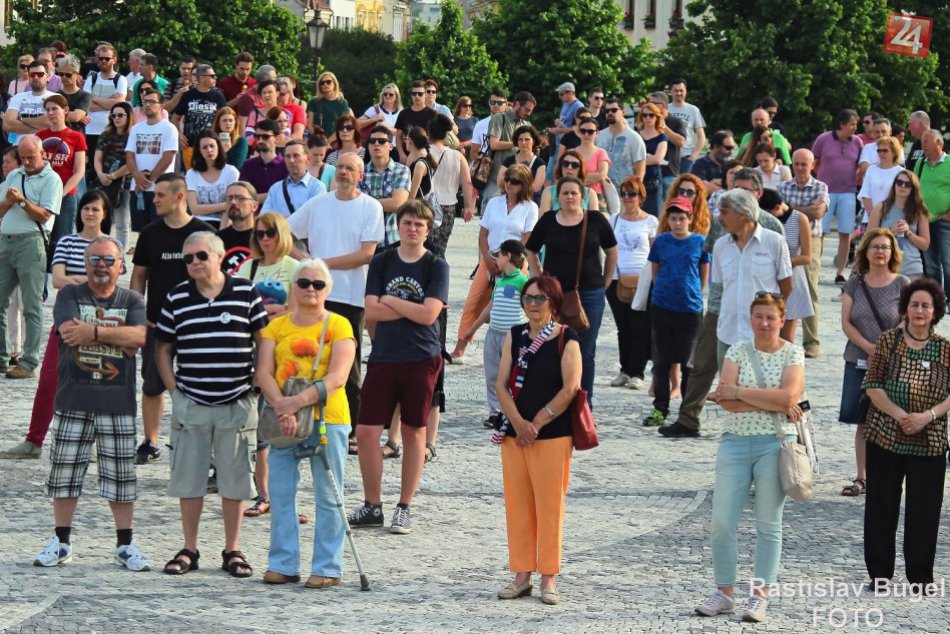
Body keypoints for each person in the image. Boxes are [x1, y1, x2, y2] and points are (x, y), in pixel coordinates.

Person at [30, 236, 150, 571]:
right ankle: (61, 541)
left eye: (109, 260)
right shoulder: (70, 294)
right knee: (64, 473)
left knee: (121, 477)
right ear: (85, 264)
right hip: (74, 397)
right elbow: (69, 332)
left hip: (117, 399)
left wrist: (94, 334)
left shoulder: (132, 299)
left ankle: (125, 544)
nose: (101, 266)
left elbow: (140, 337)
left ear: (121, 266)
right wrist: (118, 335)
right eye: (95, 259)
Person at [156, 231, 268, 578]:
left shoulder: (246, 291)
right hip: (192, 400)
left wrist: (258, 381)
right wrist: (175, 392)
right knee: (188, 480)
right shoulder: (177, 296)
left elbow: (263, 339)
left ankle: (232, 549)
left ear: (220, 257)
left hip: (237, 400)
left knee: (236, 479)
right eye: (188, 258)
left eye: (201, 256)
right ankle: (189, 547)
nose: (194, 263)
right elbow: (162, 348)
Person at [695, 293, 805, 623]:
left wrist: (741, 393)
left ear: (782, 320)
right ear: (750, 318)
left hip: (775, 443)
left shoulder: (793, 353)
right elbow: (724, 401)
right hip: (735, 442)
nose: (764, 323)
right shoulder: (737, 351)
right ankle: (724, 593)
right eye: (758, 316)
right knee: (721, 522)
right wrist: (773, 401)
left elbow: (788, 396)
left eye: (771, 317)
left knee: (768, 523)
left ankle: (760, 595)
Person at [348, 201, 449, 535]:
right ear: (399, 225)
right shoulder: (382, 261)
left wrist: (390, 300)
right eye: (407, 222)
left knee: (413, 431)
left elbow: (429, 315)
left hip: (421, 357)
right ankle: (372, 505)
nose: (413, 228)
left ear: (428, 229)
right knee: (366, 431)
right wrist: (409, 307)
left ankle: (404, 506)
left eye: (419, 224)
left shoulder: (436, 265)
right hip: (385, 355)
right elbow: (371, 311)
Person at [257, 259, 356, 588]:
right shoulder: (276, 327)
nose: (310, 289)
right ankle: (283, 563)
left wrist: (296, 403)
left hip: (328, 418)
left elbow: (338, 376)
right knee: (281, 493)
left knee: (328, 494)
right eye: (303, 283)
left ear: (328, 289)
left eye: (318, 284)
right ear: (293, 287)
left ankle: (327, 566)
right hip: (282, 420)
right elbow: (263, 373)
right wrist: (283, 408)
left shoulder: (339, 324)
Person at [1, 190, 114, 460]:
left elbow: (107, 283)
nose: (89, 213)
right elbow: (57, 280)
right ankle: (34, 442)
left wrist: (76, 280)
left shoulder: (112, 245)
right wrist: (88, 280)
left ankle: (91, 444)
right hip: (66, 321)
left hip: (98, 324)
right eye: (86, 208)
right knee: (49, 380)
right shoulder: (66, 242)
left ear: (105, 214)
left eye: (95, 209)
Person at [494, 275, 581, 606]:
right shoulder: (514, 335)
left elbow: (570, 388)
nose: (532, 304)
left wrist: (537, 423)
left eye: (539, 299)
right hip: (515, 435)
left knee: (549, 506)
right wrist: (520, 425)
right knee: (518, 505)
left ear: (553, 303)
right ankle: (521, 575)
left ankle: (549, 576)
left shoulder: (566, 338)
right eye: (528, 298)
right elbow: (501, 384)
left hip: (553, 435)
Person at [289, 153, 384, 449]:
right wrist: (306, 262)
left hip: (351, 296)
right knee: (310, 360)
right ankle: (307, 421)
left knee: (348, 366)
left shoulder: (371, 206)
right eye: (340, 167)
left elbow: (367, 253)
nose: (343, 172)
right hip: (315, 296)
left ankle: (351, 428)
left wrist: (321, 264)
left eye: (349, 168)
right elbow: (286, 233)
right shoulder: (319, 203)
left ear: (360, 176)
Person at [863, 278, 950, 590]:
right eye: (914, 305)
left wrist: (926, 416)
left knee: (924, 511)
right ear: (905, 308)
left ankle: (920, 577)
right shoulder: (888, 341)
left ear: (935, 311)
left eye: (926, 305)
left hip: (930, 441)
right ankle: (880, 575)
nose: (919, 311)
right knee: (881, 508)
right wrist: (902, 416)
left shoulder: (945, 348)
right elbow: (872, 385)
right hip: (886, 436)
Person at [129, 173, 213, 464]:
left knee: (199, 386)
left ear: (179, 197)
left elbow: (216, 279)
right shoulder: (150, 233)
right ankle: (150, 441)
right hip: (156, 324)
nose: (154, 200)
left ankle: (197, 444)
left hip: (197, 326)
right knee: (152, 384)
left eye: (160, 195)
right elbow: (139, 276)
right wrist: (137, 315)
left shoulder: (203, 234)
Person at [525, 176, 618, 406]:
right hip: (554, 294)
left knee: (585, 350)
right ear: (558, 197)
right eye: (565, 193)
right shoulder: (549, 220)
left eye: (574, 193)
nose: (569, 197)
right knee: (553, 346)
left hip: (590, 293)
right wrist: (539, 276)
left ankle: (583, 405)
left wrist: (606, 280)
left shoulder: (595, 219)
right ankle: (555, 401)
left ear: (582, 196)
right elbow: (531, 249)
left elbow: (612, 251)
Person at [838, 229, 910, 497]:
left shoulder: (902, 283)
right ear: (866, 251)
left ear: (893, 252)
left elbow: (906, 320)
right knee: (862, 418)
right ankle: (862, 476)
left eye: (885, 247)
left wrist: (882, 349)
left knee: (892, 416)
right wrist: (868, 347)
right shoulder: (854, 283)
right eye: (875, 246)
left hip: (893, 360)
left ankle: (890, 475)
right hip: (857, 358)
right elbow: (846, 322)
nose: (880, 251)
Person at [451, 163, 538, 362]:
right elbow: (483, 234)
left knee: (516, 306)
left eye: (514, 181)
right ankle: (460, 347)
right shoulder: (494, 202)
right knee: (473, 303)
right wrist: (489, 260)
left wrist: (509, 263)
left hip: (516, 263)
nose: (509, 184)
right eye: (507, 179)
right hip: (490, 258)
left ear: (524, 184)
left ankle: (524, 346)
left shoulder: (530, 208)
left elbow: (527, 238)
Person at [0, 136, 64, 379]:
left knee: (31, 305)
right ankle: (2, 356)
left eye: (31, 157)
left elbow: (45, 215)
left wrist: (22, 202)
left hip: (32, 242)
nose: (26, 162)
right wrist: (9, 201)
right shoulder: (14, 175)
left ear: (42, 154)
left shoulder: (52, 179)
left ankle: (29, 362)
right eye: (23, 158)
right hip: (6, 241)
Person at [642, 197, 709, 427]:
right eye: (673, 218)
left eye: (682, 218)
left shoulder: (699, 242)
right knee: (661, 361)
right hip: (662, 306)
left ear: (690, 219)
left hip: (690, 308)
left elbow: (703, 271)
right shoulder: (661, 241)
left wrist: (696, 291)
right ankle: (660, 409)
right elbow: (655, 269)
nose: (678, 222)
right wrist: (662, 289)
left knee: (689, 363)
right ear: (668, 220)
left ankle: (687, 411)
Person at [712, 189, 792, 363]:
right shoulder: (720, 246)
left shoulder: (774, 241)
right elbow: (720, 287)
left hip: (763, 335)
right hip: (728, 333)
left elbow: (786, 285)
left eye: (724, 212)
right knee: (727, 380)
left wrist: (772, 317)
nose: (719, 218)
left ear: (743, 214)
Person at [463, 240, 529, 429]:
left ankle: (512, 412)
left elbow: (530, 307)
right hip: (493, 335)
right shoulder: (499, 281)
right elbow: (489, 308)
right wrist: (472, 329)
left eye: (498, 256)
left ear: (508, 256)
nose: (496, 260)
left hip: (512, 337)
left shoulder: (523, 281)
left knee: (512, 374)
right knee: (492, 374)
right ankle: (495, 413)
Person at [777, 150, 829, 359]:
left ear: (812, 165)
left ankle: (811, 342)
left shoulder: (820, 186)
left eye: (804, 164)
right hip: (785, 238)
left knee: (810, 288)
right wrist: (804, 208)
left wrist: (790, 208)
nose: (799, 168)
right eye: (796, 164)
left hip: (812, 239)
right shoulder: (782, 187)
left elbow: (818, 213)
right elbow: (777, 212)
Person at [606, 176, 656, 390]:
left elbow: (655, 252)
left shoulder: (651, 221)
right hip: (617, 278)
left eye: (632, 194)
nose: (627, 197)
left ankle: (637, 372)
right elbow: (607, 248)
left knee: (640, 327)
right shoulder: (613, 220)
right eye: (624, 193)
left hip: (643, 280)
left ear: (641, 197)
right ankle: (624, 370)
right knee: (622, 327)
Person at [813, 109, 864, 284]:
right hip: (825, 191)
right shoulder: (823, 139)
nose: (855, 127)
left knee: (845, 232)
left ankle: (840, 272)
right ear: (842, 124)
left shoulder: (857, 142)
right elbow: (815, 161)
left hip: (848, 191)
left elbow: (859, 164)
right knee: (820, 232)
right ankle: (816, 268)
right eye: (852, 124)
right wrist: (822, 177)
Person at [759, 189, 813, 342]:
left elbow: (806, 257)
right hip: (767, 278)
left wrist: (782, 261)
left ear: (777, 208)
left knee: (786, 337)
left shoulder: (799, 219)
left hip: (792, 278)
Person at [37, 94, 87, 253]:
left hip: (65, 195)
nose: (51, 113)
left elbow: (79, 171)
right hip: (41, 194)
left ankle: (60, 269)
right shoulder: (39, 136)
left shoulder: (76, 137)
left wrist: (61, 193)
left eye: (54, 109)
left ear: (66, 110)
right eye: (47, 110)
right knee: (41, 239)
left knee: (62, 241)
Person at [125, 88, 178, 228]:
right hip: (137, 188)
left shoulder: (169, 128)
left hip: (160, 189)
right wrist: (136, 174)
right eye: (145, 102)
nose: (147, 105)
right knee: (141, 231)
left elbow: (168, 157)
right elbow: (129, 155)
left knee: (159, 230)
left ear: (161, 106)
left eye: (152, 102)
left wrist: (147, 181)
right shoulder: (136, 128)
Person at [427, 113, 476, 256]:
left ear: (429, 133)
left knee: (425, 247)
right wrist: (468, 207)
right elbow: (467, 183)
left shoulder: (423, 153)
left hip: (427, 204)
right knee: (440, 247)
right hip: (449, 206)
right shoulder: (458, 156)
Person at [867, 170, 930, 279]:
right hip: (885, 267)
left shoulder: (919, 211)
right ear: (894, 185)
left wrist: (909, 233)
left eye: (908, 184)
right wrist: (890, 233)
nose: (903, 186)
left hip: (912, 268)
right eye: (899, 182)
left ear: (913, 188)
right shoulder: (881, 208)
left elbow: (925, 245)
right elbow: (868, 239)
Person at [359, 126, 410, 248]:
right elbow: (355, 205)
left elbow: (398, 203)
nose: (376, 144)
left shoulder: (402, 170)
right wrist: (386, 202)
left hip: (392, 239)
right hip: (364, 241)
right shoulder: (359, 171)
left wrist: (366, 203)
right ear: (368, 146)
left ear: (390, 146)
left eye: (382, 141)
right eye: (372, 141)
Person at [93, 101, 133, 250]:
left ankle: (120, 256)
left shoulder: (133, 135)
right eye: (113, 115)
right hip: (103, 181)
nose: (116, 118)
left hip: (125, 183)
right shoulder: (105, 135)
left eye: (120, 115)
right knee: (102, 220)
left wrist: (113, 176)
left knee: (122, 223)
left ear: (129, 116)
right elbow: (97, 158)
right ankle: (102, 251)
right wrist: (101, 174)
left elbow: (132, 163)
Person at [171, 63, 226, 170]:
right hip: (191, 146)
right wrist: (179, 135)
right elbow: (175, 118)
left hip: (212, 146)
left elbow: (225, 117)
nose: (215, 78)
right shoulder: (188, 95)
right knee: (191, 176)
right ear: (202, 78)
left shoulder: (218, 96)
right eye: (212, 76)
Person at [916, 130, 950, 302]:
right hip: (924, 221)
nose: (923, 145)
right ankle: (936, 299)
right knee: (930, 264)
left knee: (948, 262)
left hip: (945, 222)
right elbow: (915, 187)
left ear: (939, 143)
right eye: (922, 141)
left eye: (927, 141)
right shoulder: (920, 163)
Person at [184, 130, 240, 230]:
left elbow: (231, 206)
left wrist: (222, 233)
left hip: (225, 222)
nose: (209, 150)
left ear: (218, 147)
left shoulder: (231, 171)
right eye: (204, 147)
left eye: (212, 146)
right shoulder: (191, 174)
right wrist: (225, 205)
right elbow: (194, 209)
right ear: (199, 151)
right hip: (199, 224)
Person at [260, 140, 326, 220]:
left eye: (296, 156)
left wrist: (279, 219)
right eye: (288, 156)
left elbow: (314, 218)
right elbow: (264, 218)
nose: (291, 160)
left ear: (308, 158)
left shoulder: (317, 187)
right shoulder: (275, 188)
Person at [82, 44, 127, 156]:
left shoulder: (120, 79)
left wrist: (94, 98)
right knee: (92, 164)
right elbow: (87, 104)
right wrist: (110, 101)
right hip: (91, 131)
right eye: (101, 58)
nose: (103, 61)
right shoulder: (91, 79)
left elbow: (119, 104)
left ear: (114, 60)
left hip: (111, 130)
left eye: (107, 59)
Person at [3, 60, 56, 145]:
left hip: (46, 148)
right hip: (19, 148)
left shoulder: (56, 98)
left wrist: (22, 121)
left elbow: (51, 123)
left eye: (40, 74)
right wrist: (41, 126)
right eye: (32, 74)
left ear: (47, 76)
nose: (36, 77)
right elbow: (7, 125)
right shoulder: (18, 97)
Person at [239, 119, 287, 202]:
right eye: (257, 136)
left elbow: (285, 194)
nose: (260, 140)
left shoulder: (286, 165)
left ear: (277, 138)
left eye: (265, 137)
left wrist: (251, 199)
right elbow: (242, 193)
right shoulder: (248, 165)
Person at [858, 136, 903, 225]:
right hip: (870, 218)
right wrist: (873, 216)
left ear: (894, 152)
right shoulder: (871, 169)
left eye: (885, 150)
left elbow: (901, 197)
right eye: (879, 150)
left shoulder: (901, 172)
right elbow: (865, 194)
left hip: (892, 218)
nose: (881, 153)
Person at [538, 150, 599, 214]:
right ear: (561, 166)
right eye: (565, 164)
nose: (569, 167)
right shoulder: (549, 191)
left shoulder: (590, 193)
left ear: (580, 169)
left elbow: (595, 219)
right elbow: (543, 218)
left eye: (575, 165)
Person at [667, 79, 706, 173]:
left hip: (687, 155)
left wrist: (693, 156)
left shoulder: (693, 110)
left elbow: (701, 137)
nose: (679, 93)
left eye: (681, 90)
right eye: (676, 90)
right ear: (670, 92)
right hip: (669, 155)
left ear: (686, 91)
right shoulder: (665, 109)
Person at [497, 125, 545, 200]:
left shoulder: (540, 163)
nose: (523, 142)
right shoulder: (508, 160)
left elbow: (536, 187)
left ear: (533, 142)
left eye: (527, 139)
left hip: (530, 201)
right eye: (520, 139)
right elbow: (500, 182)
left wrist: (513, 187)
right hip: (509, 201)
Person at [394, 80, 438, 164]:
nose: (417, 96)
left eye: (420, 94)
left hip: (426, 157)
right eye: (414, 93)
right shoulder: (403, 113)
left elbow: (436, 138)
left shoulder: (432, 114)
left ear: (425, 95)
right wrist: (401, 154)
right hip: (407, 157)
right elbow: (398, 136)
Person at [636, 103, 668, 216]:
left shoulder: (662, 137)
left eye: (651, 115)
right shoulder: (636, 135)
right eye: (645, 115)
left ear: (657, 117)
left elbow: (657, 160)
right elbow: (630, 158)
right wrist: (648, 156)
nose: (648, 118)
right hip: (636, 180)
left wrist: (640, 159)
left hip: (653, 182)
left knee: (654, 215)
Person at [307, 72, 351, 143]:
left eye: (328, 82)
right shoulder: (314, 101)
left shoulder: (342, 103)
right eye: (322, 83)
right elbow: (310, 125)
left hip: (335, 141)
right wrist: (320, 141)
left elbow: (342, 126)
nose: (325, 84)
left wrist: (327, 143)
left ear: (334, 84)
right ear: (319, 86)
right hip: (316, 141)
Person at [690, 130, 737, 194]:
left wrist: (715, 183)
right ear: (716, 146)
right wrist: (728, 187)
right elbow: (702, 186)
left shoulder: (731, 165)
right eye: (728, 148)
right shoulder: (700, 164)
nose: (731, 152)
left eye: (732, 148)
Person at [56, 55, 92, 135]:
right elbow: (47, 116)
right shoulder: (55, 95)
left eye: (68, 75)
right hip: (58, 136)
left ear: (76, 74)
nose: (64, 77)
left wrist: (56, 115)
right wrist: (78, 117)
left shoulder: (85, 95)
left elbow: (75, 117)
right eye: (61, 74)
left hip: (76, 137)